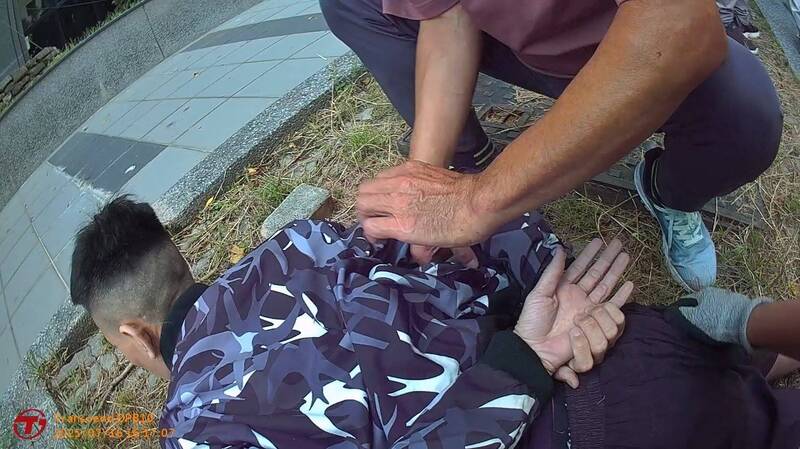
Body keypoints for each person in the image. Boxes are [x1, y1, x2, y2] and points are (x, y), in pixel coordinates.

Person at [70, 198, 800, 448]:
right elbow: (458, 244)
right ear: (179, 260)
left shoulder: (195, 427)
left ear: (133, 335)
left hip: (573, 427)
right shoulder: (297, 242)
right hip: (631, 345)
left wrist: (524, 363)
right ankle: (743, 339)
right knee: (737, 385)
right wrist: (553, 282)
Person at [323, 0, 784, 292]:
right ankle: (466, 164)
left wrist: (479, 202)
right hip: (512, 38)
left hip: (627, 36)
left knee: (746, 121)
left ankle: (668, 193)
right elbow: (446, 15)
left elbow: (677, 19)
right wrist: (425, 180)